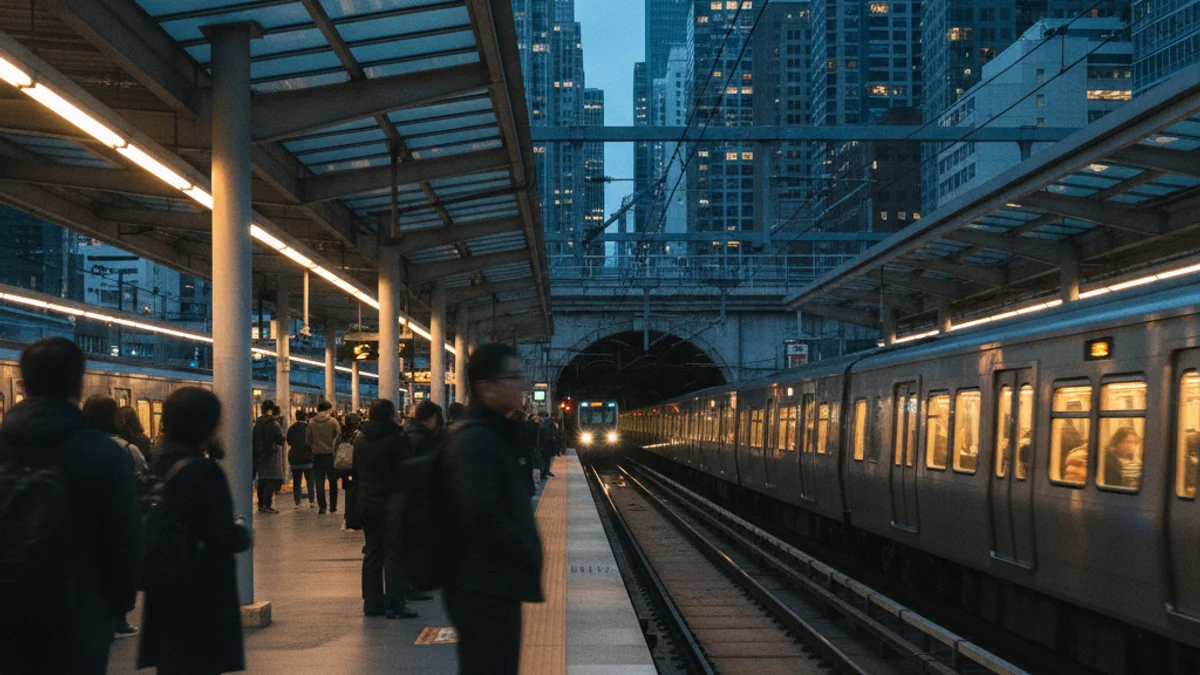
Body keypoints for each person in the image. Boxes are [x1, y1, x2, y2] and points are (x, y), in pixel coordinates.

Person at [0, 338, 141, 675]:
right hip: (77, 615)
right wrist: (114, 607)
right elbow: (125, 542)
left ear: (22, 385)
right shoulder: (102, 453)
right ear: (78, 384)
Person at [442, 343, 544, 675]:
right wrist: (524, 548)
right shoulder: (477, 440)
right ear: (486, 388)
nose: (524, 385)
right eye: (514, 377)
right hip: (484, 588)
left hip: (491, 584)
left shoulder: (492, 434)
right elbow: (481, 513)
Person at [137, 387, 251, 675]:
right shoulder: (204, 472)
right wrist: (240, 532)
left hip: (164, 589)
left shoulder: (155, 465)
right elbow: (223, 535)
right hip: (202, 593)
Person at [82, 394, 146, 640]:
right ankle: (118, 618)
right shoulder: (126, 449)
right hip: (119, 523)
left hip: (85, 524)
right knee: (119, 570)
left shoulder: (75, 444)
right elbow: (142, 481)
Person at [353, 399, 418, 619]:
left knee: (372, 552)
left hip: (367, 503)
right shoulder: (397, 438)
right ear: (391, 415)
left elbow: (356, 473)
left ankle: (372, 603)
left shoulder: (360, 439)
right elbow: (407, 470)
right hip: (393, 504)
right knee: (393, 553)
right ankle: (396, 604)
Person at [306, 400, 343, 514]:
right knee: (333, 482)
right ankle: (333, 506)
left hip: (317, 455)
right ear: (328, 410)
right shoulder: (333, 421)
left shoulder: (311, 422)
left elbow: (308, 439)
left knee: (319, 482)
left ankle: (322, 507)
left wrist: (315, 446)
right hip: (330, 455)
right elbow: (339, 435)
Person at [252, 401, 285, 514]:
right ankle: (267, 504)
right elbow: (280, 440)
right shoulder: (274, 424)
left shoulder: (258, 422)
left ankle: (261, 504)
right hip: (270, 454)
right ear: (270, 410)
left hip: (259, 455)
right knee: (271, 479)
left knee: (262, 480)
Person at [287, 409, 315, 509]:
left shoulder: (291, 428)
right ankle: (312, 501)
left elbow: (289, 441)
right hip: (307, 458)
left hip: (295, 459)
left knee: (297, 482)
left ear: (296, 417)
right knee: (310, 480)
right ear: (305, 417)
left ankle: (297, 503)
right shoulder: (309, 428)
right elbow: (312, 441)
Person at [537, 414, 558, 480]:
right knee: (546, 460)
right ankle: (545, 472)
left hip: (545, 446)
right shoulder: (549, 424)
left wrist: (541, 445)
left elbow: (543, 436)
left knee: (544, 460)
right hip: (548, 445)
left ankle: (544, 473)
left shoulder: (543, 424)